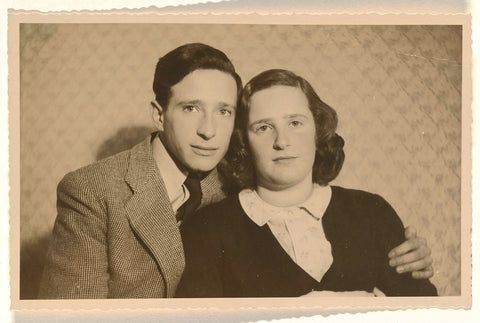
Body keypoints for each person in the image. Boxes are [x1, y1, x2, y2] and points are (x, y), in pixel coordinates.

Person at [38, 44, 433, 299]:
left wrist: (409, 254)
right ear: (159, 114)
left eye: (223, 111)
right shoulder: (92, 190)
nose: (209, 131)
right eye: (191, 108)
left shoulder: (234, 181)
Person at [176, 69, 437, 297]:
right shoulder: (207, 229)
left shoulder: (372, 212)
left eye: (295, 123)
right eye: (264, 127)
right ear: (244, 142)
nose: (282, 141)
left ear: (317, 130)